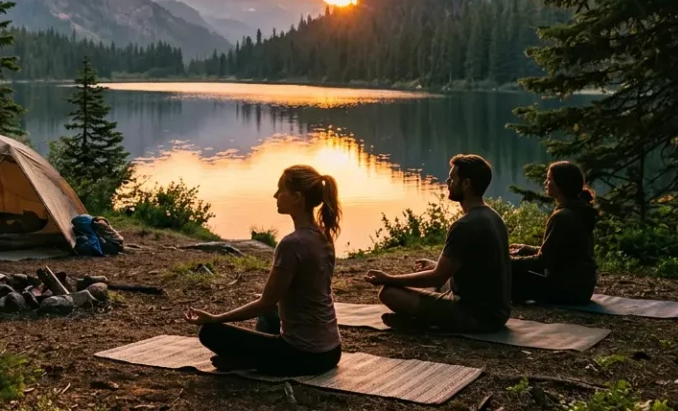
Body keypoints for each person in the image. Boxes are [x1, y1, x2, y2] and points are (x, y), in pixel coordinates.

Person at [182, 165, 342, 376]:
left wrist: (215, 318)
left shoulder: (291, 244)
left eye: (281, 189)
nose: (275, 195)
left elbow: (265, 302)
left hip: (303, 355)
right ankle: (250, 358)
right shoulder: (324, 236)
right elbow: (272, 304)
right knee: (269, 315)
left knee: (210, 333)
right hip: (331, 351)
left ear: (297, 197)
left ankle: (247, 360)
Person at [364, 154, 511, 333]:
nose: (447, 182)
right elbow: (476, 269)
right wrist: (436, 266)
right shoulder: (494, 217)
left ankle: (420, 323)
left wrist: (388, 278)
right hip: (498, 313)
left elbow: (437, 278)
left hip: (475, 316)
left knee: (389, 292)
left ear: (466, 184)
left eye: (452, 179)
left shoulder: (464, 225)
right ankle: (419, 319)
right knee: (427, 281)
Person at [510, 161, 599, 305]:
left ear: (561, 184)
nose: (545, 183)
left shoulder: (562, 216)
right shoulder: (579, 209)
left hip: (567, 290)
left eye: (549, 179)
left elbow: (543, 261)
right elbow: (562, 253)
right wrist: (527, 249)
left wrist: (507, 261)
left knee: (508, 273)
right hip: (582, 288)